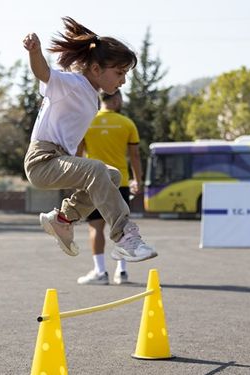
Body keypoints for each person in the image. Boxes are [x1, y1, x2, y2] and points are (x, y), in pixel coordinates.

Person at [22, 17, 157, 263]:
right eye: (119, 73)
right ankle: (125, 237)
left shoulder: (92, 97)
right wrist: (35, 51)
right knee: (96, 170)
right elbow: (43, 73)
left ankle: (63, 219)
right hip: (42, 160)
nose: (123, 81)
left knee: (112, 175)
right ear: (96, 69)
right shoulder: (72, 83)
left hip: (60, 158)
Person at [76, 90, 143, 285]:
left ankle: (100, 272)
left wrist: (78, 181)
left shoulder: (88, 122)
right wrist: (137, 180)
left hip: (94, 182)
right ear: (116, 99)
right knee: (120, 227)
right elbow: (135, 156)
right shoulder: (127, 123)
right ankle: (121, 272)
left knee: (95, 227)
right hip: (119, 182)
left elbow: (79, 155)